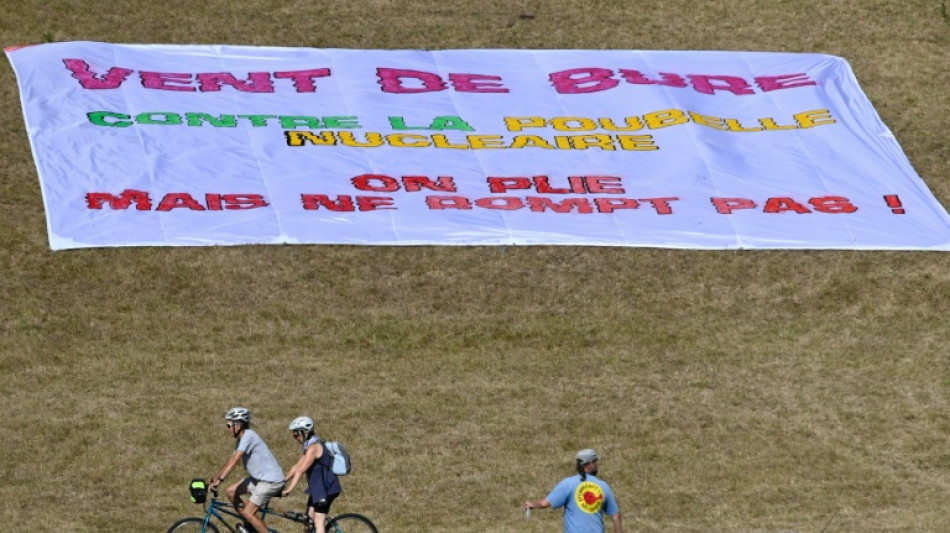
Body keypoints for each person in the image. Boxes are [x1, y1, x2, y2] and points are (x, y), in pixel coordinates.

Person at [208, 407, 286, 533]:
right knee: (230, 491)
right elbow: (231, 459)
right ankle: (250, 526)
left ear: (237, 425)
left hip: (270, 481)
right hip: (259, 479)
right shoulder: (241, 439)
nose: (227, 429)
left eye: (228, 425)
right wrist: (216, 478)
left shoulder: (249, 436)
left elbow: (236, 460)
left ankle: (250, 520)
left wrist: (220, 480)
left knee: (248, 512)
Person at [524, 448, 623, 533]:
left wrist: (532, 504)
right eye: (595, 461)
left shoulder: (568, 483)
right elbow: (616, 516)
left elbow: (544, 504)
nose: (597, 465)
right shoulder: (603, 486)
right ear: (590, 463)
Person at [281, 416, 342, 533]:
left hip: (326, 489)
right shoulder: (309, 447)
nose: (295, 438)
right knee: (308, 523)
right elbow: (296, 467)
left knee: (318, 522)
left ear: (304, 432)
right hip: (317, 489)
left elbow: (301, 470)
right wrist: (282, 481)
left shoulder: (314, 447)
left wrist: (289, 489)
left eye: (296, 434)